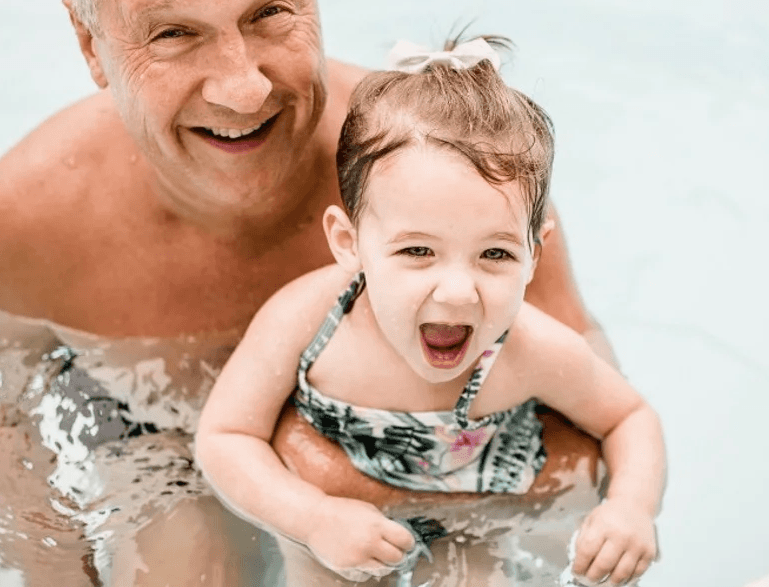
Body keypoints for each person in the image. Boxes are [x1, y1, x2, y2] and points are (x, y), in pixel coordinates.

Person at [0, 0, 620, 585]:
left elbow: (589, 437)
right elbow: (3, 446)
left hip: (430, 455)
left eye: (269, 12)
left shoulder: (448, 178)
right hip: (153, 439)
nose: (242, 89)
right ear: (90, 42)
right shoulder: (27, 224)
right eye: (172, 33)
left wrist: (342, 478)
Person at [195, 36, 665, 586]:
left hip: (474, 520)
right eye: (417, 251)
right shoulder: (308, 321)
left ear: (534, 255)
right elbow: (226, 436)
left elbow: (628, 419)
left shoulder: (531, 350)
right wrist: (312, 517)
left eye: (496, 253)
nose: (458, 292)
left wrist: (631, 509)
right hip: (331, 527)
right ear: (349, 243)